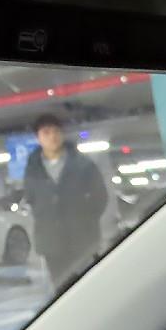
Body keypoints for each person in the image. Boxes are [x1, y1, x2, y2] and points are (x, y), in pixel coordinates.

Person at [22, 113, 108, 289]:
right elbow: (31, 199)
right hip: (51, 242)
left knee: (90, 284)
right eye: (46, 133)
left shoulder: (83, 165)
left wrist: (86, 219)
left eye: (56, 131)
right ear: (38, 138)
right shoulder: (32, 170)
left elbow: (100, 196)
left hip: (82, 239)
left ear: (61, 134)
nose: (52, 136)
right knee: (61, 286)